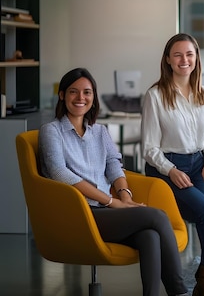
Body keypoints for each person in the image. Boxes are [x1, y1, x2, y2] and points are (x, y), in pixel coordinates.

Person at [39, 68, 189, 296]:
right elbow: (60, 173)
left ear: (93, 97)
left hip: (106, 212)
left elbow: (113, 164)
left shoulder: (100, 131)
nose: (81, 98)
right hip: (80, 213)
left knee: (149, 236)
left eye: (87, 92)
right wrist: (112, 202)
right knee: (157, 216)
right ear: (62, 95)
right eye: (73, 92)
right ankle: (179, 292)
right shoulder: (51, 131)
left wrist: (125, 197)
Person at [141, 33, 204, 296]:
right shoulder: (155, 96)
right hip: (168, 167)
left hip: (201, 163)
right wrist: (170, 171)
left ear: (197, 58)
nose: (185, 60)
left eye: (189, 54)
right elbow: (149, 148)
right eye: (178, 54)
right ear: (168, 60)